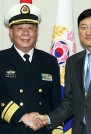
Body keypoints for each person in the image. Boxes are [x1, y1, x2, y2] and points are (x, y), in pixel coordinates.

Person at [36, 8, 91, 134]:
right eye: (83, 27)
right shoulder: (73, 62)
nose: (88, 32)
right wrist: (48, 118)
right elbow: (70, 102)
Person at [0, 2, 61, 134]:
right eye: (20, 28)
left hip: (41, 131)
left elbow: (56, 102)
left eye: (30, 28)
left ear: (37, 31)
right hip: (10, 130)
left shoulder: (50, 61)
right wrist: (22, 116)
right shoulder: (1, 59)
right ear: (11, 32)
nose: (25, 33)